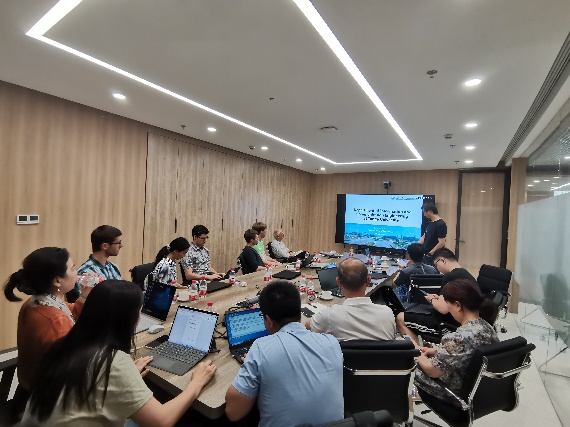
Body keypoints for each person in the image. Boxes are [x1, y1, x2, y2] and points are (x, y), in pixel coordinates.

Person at [20, 280, 217, 427]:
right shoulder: (112, 362)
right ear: (128, 319)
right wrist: (196, 382)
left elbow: (92, 382)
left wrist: (128, 375)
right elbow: (162, 421)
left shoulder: (66, 344)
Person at [225, 281, 344, 426]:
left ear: (269, 321)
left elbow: (233, 413)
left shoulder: (260, 349)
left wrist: (251, 366)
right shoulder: (332, 342)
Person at [3, 248, 92, 395]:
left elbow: (71, 312)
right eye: (73, 268)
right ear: (57, 281)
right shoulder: (56, 320)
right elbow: (70, 369)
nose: (77, 273)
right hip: (48, 396)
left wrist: (84, 296)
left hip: (28, 385)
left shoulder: (35, 302)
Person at [415, 279, 499, 399]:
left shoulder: (458, 338)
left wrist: (416, 351)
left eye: (448, 304)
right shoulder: (487, 326)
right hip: (479, 389)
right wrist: (436, 351)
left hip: (453, 391)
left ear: (458, 305)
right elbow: (470, 352)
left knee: (406, 365)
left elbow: (432, 371)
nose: (448, 309)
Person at [396, 248, 478, 344]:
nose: (437, 268)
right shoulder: (466, 274)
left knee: (400, 318)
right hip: (465, 323)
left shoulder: (450, 276)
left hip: (447, 325)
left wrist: (431, 299)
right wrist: (438, 299)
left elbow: (442, 309)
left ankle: (418, 351)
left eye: (436, 265)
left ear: (443, 261)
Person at [306, 258, 396, 341]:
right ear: (368, 281)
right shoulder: (387, 314)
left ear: (338, 282)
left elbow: (307, 326)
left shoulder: (328, 316)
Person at [68, 225, 123, 301]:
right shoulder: (85, 272)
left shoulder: (114, 267)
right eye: (119, 243)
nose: (121, 246)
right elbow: (85, 303)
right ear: (105, 246)